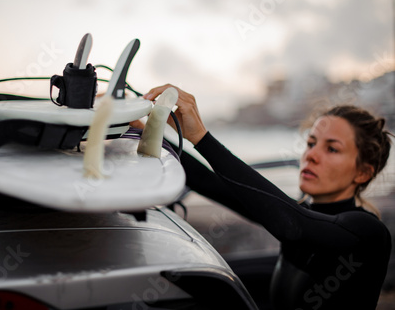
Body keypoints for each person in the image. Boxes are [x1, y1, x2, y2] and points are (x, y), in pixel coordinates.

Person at [141, 84, 393, 310]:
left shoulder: (367, 233)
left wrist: (201, 138)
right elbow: (207, 182)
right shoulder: (301, 211)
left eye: (332, 149)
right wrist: (146, 129)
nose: (312, 155)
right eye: (311, 143)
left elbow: (292, 226)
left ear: (363, 172)